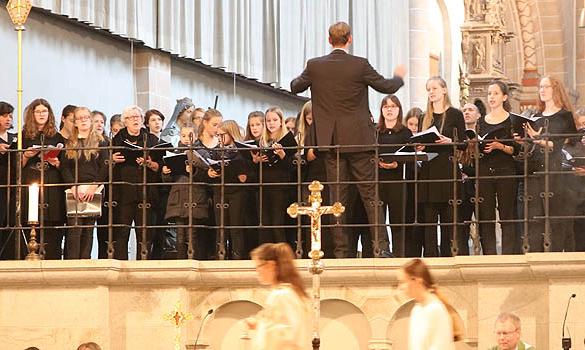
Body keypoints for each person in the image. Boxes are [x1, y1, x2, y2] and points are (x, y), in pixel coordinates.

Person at [290, 21, 406, 258]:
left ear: (328, 39)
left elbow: (294, 87)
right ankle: (381, 248)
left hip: (331, 142)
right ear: (349, 39)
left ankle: (341, 251)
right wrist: (398, 77)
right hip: (360, 140)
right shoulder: (359, 65)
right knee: (370, 195)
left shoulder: (315, 66)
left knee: (337, 196)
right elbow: (386, 86)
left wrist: (311, 76)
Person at [523, 76, 576, 252]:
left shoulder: (564, 116)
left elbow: (565, 144)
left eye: (546, 86)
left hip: (556, 169)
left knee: (557, 217)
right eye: (540, 87)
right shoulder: (536, 117)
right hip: (536, 168)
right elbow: (532, 145)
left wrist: (540, 140)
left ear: (555, 89)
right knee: (535, 216)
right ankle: (536, 254)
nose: (542, 90)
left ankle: (557, 254)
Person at [417, 76, 466, 257]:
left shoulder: (455, 114)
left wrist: (450, 141)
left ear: (444, 90)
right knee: (429, 222)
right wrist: (420, 145)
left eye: (435, 88)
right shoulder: (424, 116)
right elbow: (422, 142)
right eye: (429, 89)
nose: (431, 92)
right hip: (429, 171)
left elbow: (463, 143)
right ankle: (430, 257)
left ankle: (447, 257)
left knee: (448, 221)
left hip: (447, 169)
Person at [111, 105, 162, 259]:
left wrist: (150, 163)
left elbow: (160, 165)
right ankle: (121, 264)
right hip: (124, 191)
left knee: (145, 233)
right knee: (122, 231)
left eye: (138, 117)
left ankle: (143, 264)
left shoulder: (152, 139)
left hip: (145, 191)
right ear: (125, 121)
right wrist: (112, 160)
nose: (135, 120)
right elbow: (109, 164)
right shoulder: (117, 139)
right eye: (131, 117)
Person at [475, 81, 518, 255]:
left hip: (505, 169)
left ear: (504, 97)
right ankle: (489, 254)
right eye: (489, 94)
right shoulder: (481, 121)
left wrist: (500, 146)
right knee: (486, 215)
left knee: (507, 214)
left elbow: (516, 149)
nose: (491, 97)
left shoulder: (511, 120)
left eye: (495, 94)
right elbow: (479, 148)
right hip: (485, 169)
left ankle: (508, 254)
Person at [21, 98, 67, 259]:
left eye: (44, 111)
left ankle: (53, 257)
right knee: (31, 220)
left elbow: (66, 165)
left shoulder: (57, 136)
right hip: (31, 180)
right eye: (38, 111)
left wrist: (56, 162)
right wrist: (26, 155)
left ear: (50, 114)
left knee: (53, 226)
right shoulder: (23, 136)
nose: (41, 114)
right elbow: (14, 166)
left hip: (51, 182)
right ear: (32, 114)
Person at [61, 107, 109, 259]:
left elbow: (105, 165)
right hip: (75, 188)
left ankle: (85, 260)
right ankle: (73, 261)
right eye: (79, 118)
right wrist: (73, 186)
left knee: (88, 229)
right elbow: (64, 167)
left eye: (86, 118)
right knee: (74, 228)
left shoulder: (101, 142)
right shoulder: (70, 142)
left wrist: (94, 186)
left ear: (90, 120)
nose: (83, 121)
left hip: (94, 188)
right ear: (74, 123)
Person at [246, 242, 310, 350]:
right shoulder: (286, 292)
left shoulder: (282, 295)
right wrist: (259, 324)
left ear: (271, 265)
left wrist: (261, 325)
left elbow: (287, 335)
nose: (257, 272)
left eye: (258, 266)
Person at [163, 122, 210, 260]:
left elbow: (207, 176)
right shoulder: (175, 152)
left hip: (195, 197)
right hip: (178, 197)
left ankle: (193, 261)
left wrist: (194, 170)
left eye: (189, 135)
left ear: (196, 136)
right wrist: (166, 172)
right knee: (179, 236)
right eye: (183, 135)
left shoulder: (201, 152)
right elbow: (167, 181)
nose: (186, 138)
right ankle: (180, 262)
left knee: (192, 235)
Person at [398, 258, 461, 350]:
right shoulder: (417, 309)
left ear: (417, 281)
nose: (401, 287)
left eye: (403, 282)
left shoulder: (435, 309)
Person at [377, 95, 412, 257]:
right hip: (379, 180)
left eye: (393, 106)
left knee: (398, 221)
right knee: (379, 220)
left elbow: (411, 158)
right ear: (381, 110)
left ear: (399, 110)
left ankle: (400, 254)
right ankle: (383, 252)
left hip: (398, 180)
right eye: (386, 106)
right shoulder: (375, 132)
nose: (389, 109)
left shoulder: (405, 132)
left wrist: (398, 164)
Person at [257, 107, 297, 246]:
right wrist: (257, 161)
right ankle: (267, 255)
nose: (271, 123)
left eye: (275, 120)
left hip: (280, 187)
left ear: (281, 122)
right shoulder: (262, 142)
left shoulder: (288, 141)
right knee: (265, 223)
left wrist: (282, 155)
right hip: (264, 186)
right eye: (268, 120)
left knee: (277, 223)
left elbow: (293, 168)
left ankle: (283, 254)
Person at [458, 103, 482, 255]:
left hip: (479, 186)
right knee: (462, 226)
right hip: (462, 188)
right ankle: (462, 256)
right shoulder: (458, 136)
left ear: (478, 115)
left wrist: (464, 169)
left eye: (470, 110)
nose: (467, 112)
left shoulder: (483, 135)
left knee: (484, 226)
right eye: (464, 110)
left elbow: (482, 166)